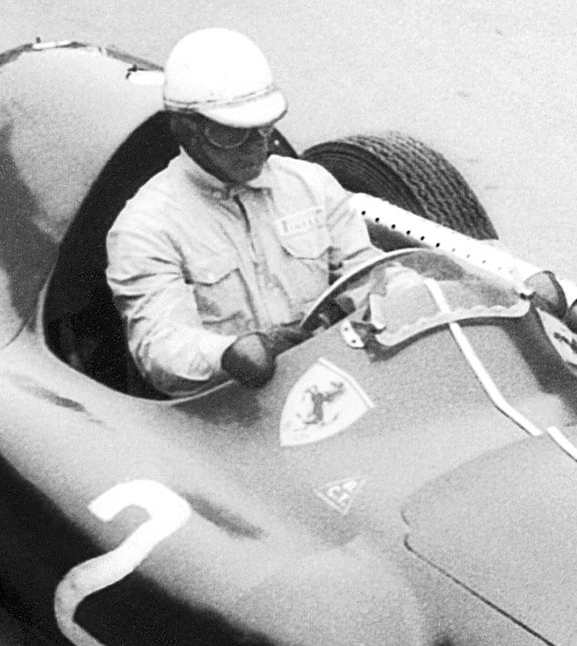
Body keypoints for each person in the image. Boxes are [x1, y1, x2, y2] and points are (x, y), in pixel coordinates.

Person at [107, 28, 381, 397]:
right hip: (229, 407)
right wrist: (230, 354)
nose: (256, 146)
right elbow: (160, 348)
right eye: (233, 133)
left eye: (263, 128)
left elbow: (367, 275)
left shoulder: (312, 184)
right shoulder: (145, 228)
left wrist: (406, 289)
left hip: (330, 382)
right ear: (187, 129)